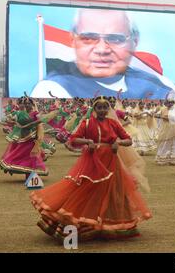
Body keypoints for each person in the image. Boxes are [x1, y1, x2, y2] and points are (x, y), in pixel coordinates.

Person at [30, 96, 151, 241]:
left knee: (113, 191)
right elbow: (74, 138)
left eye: (105, 107)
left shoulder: (113, 123)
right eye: (99, 108)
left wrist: (118, 143)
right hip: (92, 161)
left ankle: (110, 225)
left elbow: (128, 139)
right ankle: (82, 224)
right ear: (94, 109)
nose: (102, 110)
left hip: (111, 162)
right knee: (86, 189)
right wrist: (88, 141)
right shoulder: (87, 123)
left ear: (108, 109)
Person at [30, 9, 175, 99]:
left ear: (134, 42)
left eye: (115, 38)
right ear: (73, 41)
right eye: (88, 38)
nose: (102, 49)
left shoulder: (162, 86)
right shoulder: (53, 88)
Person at [0, 97, 54, 178]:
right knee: (20, 154)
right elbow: (7, 120)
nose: (27, 105)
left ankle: (29, 174)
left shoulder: (35, 113)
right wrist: (14, 122)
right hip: (22, 138)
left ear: (32, 105)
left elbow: (41, 120)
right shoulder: (20, 113)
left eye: (29, 103)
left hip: (32, 138)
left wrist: (32, 124)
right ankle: (25, 171)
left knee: (31, 155)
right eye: (25, 104)